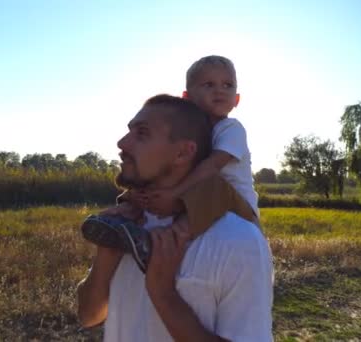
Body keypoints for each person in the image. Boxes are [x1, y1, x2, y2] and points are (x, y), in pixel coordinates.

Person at [76, 95, 273, 341]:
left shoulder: (238, 240)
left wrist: (164, 294)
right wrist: (106, 255)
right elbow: (89, 316)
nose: (122, 143)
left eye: (142, 134)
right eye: (129, 132)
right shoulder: (127, 225)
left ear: (182, 153)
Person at [81, 55, 259, 272]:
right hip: (200, 195)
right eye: (208, 84)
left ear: (237, 99)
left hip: (236, 205)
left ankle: (158, 243)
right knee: (154, 174)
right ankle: (124, 213)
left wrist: (175, 193)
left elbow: (212, 166)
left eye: (227, 85)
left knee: (210, 185)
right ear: (186, 97)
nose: (219, 90)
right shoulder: (194, 133)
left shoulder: (231, 129)